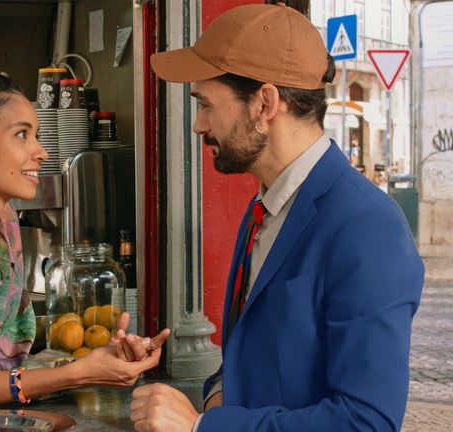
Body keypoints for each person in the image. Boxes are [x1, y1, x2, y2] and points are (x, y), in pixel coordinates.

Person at [130, 3, 424, 431]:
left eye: (207, 104)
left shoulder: (367, 227)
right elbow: (254, 357)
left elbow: (367, 421)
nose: (198, 125)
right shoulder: (264, 208)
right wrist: (217, 393)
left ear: (265, 103)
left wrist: (200, 428)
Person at [0, 24, 168, 411]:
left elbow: (5, 361)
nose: (41, 152)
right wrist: (77, 374)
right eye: (23, 135)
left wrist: (96, 356)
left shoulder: (5, 225)